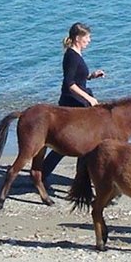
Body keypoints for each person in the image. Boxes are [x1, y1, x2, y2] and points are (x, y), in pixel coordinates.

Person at [36, 23, 105, 181]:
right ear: (78, 38)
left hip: (78, 101)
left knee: (75, 142)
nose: (90, 40)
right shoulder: (71, 56)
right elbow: (69, 83)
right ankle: (79, 177)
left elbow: (76, 78)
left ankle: (50, 174)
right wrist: (90, 99)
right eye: (87, 37)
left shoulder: (76, 54)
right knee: (76, 142)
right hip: (72, 103)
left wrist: (91, 76)